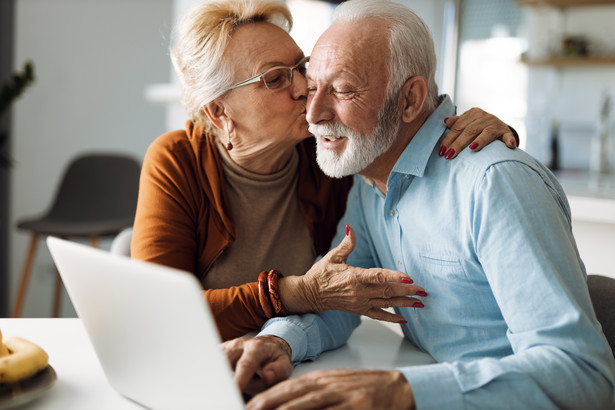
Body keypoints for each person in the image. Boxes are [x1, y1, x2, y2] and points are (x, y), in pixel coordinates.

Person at [225, 1, 615, 409]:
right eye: (312, 86)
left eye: (342, 90)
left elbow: (583, 374)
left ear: (410, 99)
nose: (314, 114)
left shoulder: (495, 183)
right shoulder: (370, 177)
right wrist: (280, 341)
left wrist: (402, 391)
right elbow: (342, 293)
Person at [131, 0, 518, 342]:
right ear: (219, 112)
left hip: (299, 356)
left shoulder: (332, 150)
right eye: (276, 78)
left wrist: (470, 127)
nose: (305, 88)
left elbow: (402, 123)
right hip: (202, 364)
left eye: (301, 67)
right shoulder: (177, 160)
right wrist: (294, 293)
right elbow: (158, 315)